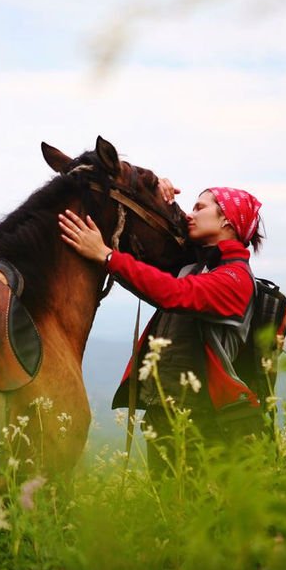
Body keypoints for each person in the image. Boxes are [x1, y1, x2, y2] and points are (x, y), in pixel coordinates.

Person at [58, 180, 266, 471]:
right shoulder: (198, 267)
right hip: (170, 415)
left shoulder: (235, 279)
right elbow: (155, 264)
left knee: (193, 508)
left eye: (200, 207)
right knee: (171, 509)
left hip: (206, 422)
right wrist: (159, 193)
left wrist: (106, 255)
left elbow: (173, 292)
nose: (190, 214)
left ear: (227, 219)